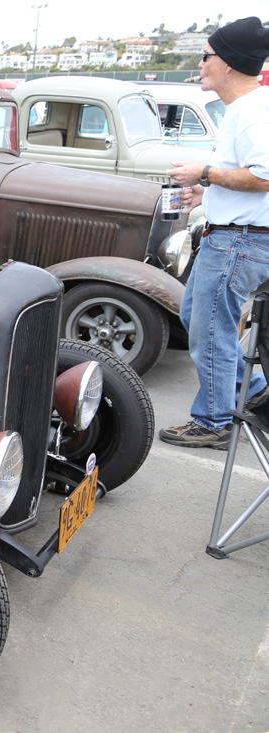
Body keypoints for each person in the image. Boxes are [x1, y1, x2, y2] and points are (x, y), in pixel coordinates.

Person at [160, 16, 269, 449]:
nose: (201, 63)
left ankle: (214, 421)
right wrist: (209, 194)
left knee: (210, 329)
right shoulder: (250, 109)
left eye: (206, 55)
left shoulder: (250, 112)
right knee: (198, 320)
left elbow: (264, 175)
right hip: (237, 235)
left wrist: (203, 172)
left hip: (239, 241)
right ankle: (252, 389)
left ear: (227, 63)